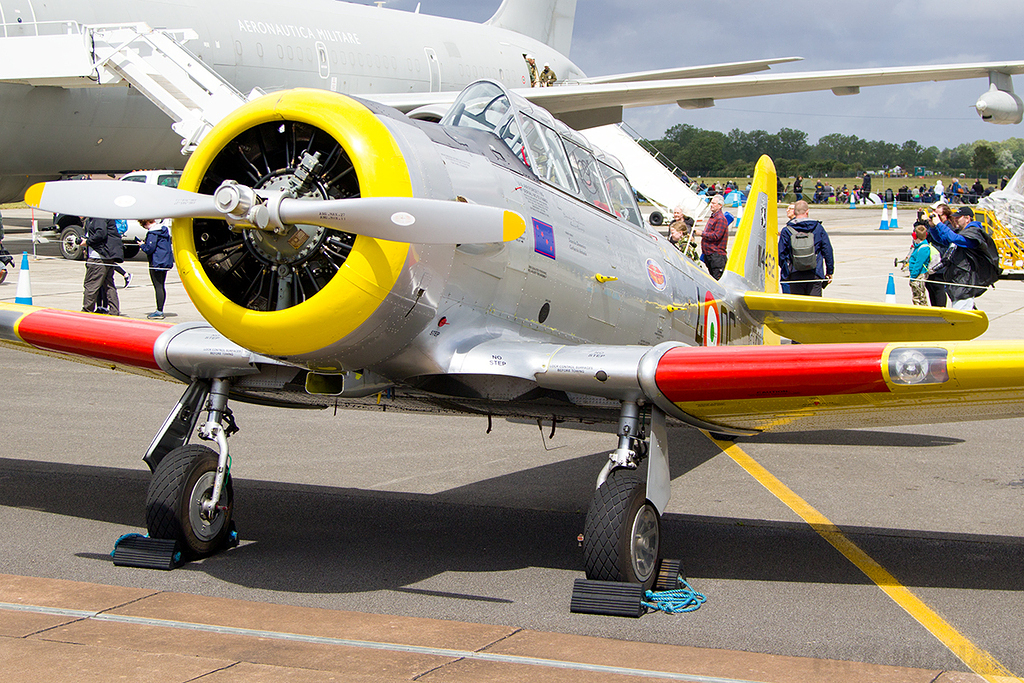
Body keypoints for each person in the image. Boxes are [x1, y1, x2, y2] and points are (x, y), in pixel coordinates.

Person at [928, 206, 1000, 310]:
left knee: (960, 313)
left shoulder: (974, 233)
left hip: (965, 281)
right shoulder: (962, 232)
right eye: (955, 217)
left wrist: (939, 223)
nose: (955, 219)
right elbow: (943, 240)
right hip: (957, 279)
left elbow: (954, 238)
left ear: (967, 218)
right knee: (965, 309)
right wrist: (933, 227)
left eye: (959, 217)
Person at [778, 200, 834, 297]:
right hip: (814, 273)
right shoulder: (818, 228)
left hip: (795, 274)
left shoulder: (786, 231)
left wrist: (787, 271)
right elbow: (827, 250)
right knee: (815, 307)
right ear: (807, 211)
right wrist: (829, 271)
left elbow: (781, 254)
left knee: (798, 308)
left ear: (794, 212)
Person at [81, 216, 121, 315]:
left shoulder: (98, 217)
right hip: (106, 256)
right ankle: (114, 311)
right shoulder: (101, 216)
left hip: (99, 257)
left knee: (91, 284)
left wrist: (87, 241)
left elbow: (101, 233)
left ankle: (87, 310)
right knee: (109, 285)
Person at [140, 218, 173, 319]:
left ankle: (159, 311)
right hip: (164, 261)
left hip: (156, 262)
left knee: (158, 286)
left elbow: (150, 249)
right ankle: (160, 308)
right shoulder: (164, 230)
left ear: (146, 223)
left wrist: (142, 245)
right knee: (161, 286)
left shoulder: (153, 233)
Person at [696, 194, 729, 280]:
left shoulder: (720, 219)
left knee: (717, 279)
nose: (711, 205)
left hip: (716, 255)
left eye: (714, 203)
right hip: (709, 254)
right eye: (711, 203)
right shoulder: (713, 217)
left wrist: (702, 233)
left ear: (720, 205)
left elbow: (716, 236)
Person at [906, 224, 934, 306]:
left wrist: (913, 277)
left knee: (919, 297)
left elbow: (918, 264)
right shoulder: (918, 247)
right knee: (916, 296)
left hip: (918, 275)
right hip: (915, 274)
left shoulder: (923, 248)